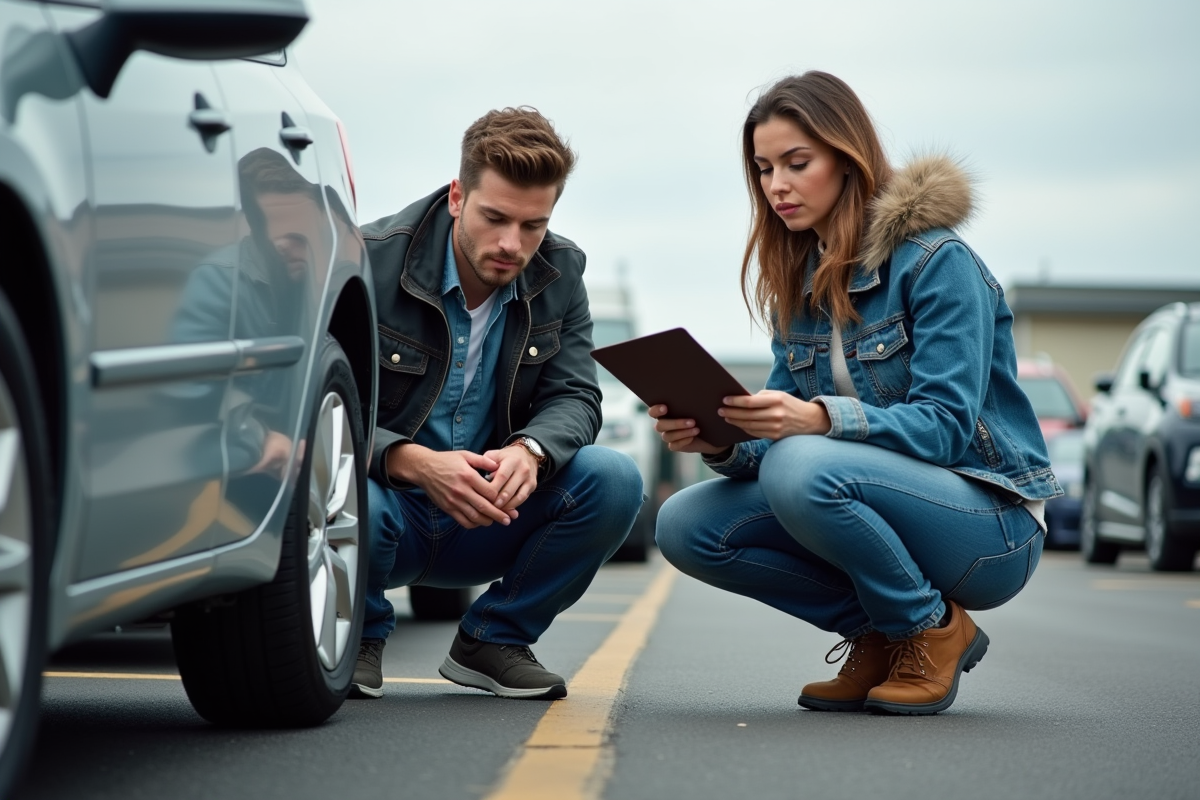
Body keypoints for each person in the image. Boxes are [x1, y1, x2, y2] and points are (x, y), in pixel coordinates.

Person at [651, 72, 1062, 716]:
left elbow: (944, 428)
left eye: (797, 163)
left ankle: (930, 628)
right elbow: (776, 443)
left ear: (847, 159)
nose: (776, 185)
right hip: (873, 497)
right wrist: (719, 441)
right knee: (686, 524)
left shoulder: (937, 262)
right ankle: (879, 633)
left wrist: (819, 419)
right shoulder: (801, 284)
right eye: (763, 169)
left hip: (990, 525)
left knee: (801, 462)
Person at [353, 107, 642, 701]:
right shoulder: (365, 261)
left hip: (491, 513)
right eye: (495, 218)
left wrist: (531, 451)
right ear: (457, 196)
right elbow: (319, 410)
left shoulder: (561, 272)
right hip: (385, 512)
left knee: (614, 478)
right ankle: (356, 636)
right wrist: (411, 462)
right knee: (342, 485)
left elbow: (576, 395)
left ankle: (494, 640)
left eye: (533, 225)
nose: (513, 244)